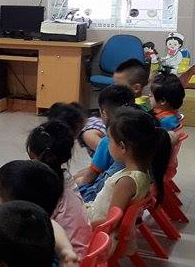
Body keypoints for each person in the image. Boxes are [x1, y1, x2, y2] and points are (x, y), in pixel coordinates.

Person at [87, 107, 171, 230]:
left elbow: (112, 222)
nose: (107, 144)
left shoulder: (126, 182)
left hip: (96, 231)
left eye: (109, 140)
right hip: (95, 218)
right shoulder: (144, 172)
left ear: (122, 147)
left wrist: (83, 226)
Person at [25, 122, 92, 256]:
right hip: (82, 252)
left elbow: (32, 230)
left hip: (67, 262)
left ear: (32, 155)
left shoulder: (45, 189)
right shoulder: (65, 178)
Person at [74, 84, 135, 202]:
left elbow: (89, 178)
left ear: (104, 114)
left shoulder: (107, 142)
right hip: (123, 197)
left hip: (99, 198)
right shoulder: (140, 137)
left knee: (74, 181)